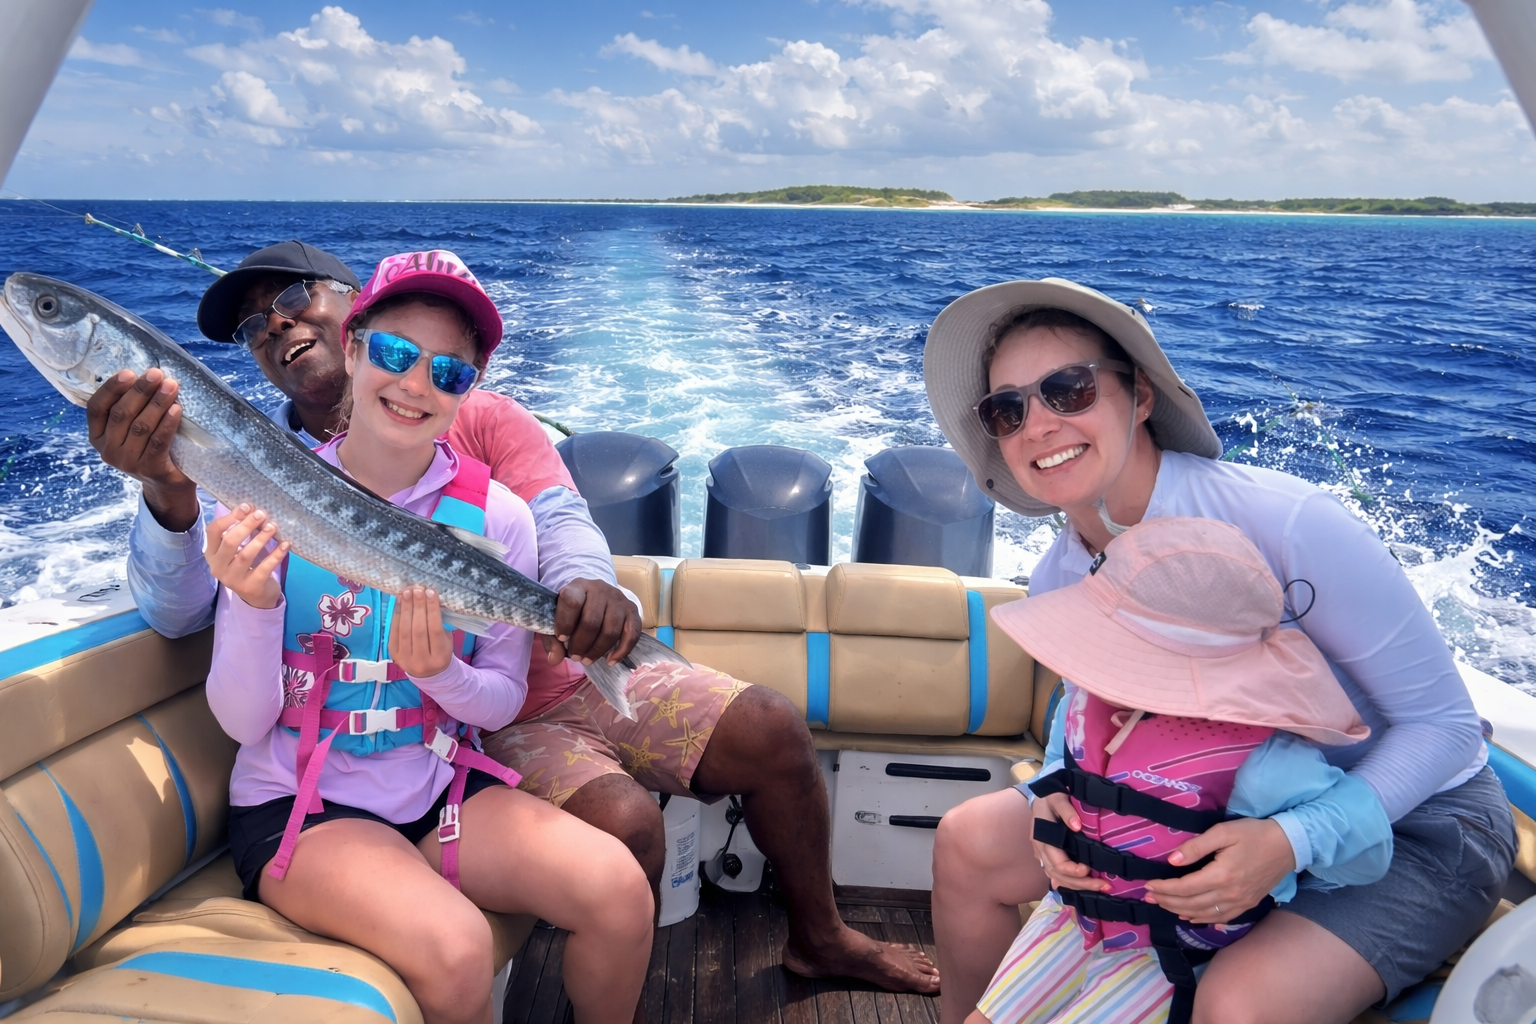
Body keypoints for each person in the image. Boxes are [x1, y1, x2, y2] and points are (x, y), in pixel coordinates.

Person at [90, 240, 939, 994]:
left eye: (289, 299)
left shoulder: (480, 427)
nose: (275, 328)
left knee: (769, 727)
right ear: (359, 349)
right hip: (420, 748)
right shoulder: (252, 475)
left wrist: (589, 591)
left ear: (347, 309)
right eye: (251, 328)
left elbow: (556, 519)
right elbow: (186, 617)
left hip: (514, 692)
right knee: (622, 833)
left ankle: (820, 937)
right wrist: (168, 489)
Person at [923, 279, 1517, 1024]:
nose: (1037, 425)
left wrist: (1290, 840)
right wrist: (1056, 798)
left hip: (1416, 830)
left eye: (1067, 390)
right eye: (1007, 410)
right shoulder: (1061, 574)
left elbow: (1448, 728)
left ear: (1138, 396)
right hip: (1196, 805)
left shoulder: (1290, 523)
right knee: (970, 841)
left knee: (1236, 1002)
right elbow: (1088, 716)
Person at [204, 250, 653, 1024]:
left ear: (469, 391)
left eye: (449, 373)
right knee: (457, 949)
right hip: (305, 805)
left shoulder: (501, 518)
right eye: (395, 354)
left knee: (619, 892)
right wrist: (250, 602)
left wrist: (440, 672)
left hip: (441, 782)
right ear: (353, 347)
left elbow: (501, 701)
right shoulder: (264, 500)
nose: (416, 385)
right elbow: (244, 724)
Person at [971, 516, 1392, 1024]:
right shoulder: (1086, 698)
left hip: (1171, 953)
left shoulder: (1265, 766)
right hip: (1070, 919)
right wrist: (1046, 793)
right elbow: (1065, 753)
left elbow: (1369, 848)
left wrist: (1287, 842)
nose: (1091, 667)